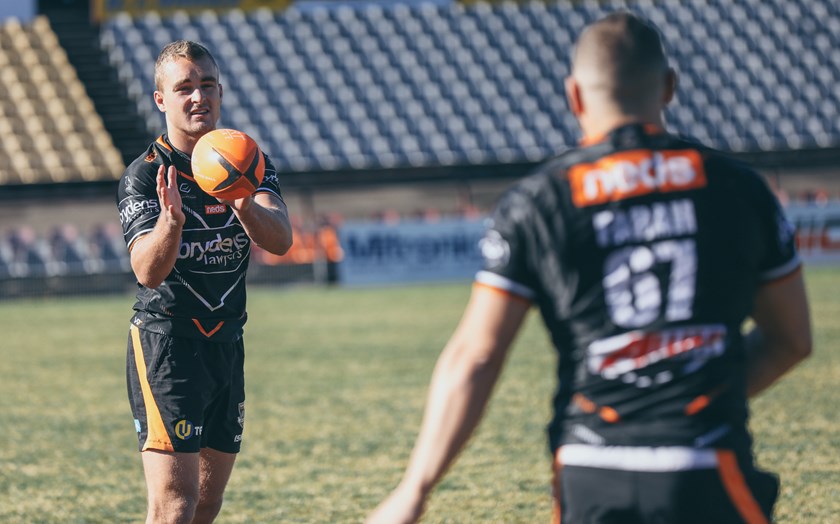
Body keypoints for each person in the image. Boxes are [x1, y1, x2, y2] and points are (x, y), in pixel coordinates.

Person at [367, 12, 811, 524]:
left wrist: (415, 488)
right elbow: (793, 340)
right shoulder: (740, 189)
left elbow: (476, 356)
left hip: (591, 463)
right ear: (670, 86)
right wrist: (695, 390)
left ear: (574, 96)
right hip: (706, 459)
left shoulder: (539, 200)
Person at [116, 40, 292, 523]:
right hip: (167, 345)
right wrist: (170, 224)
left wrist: (245, 204)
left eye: (207, 85)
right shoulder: (145, 175)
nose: (198, 97)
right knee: (174, 504)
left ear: (221, 92)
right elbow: (147, 272)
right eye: (184, 87)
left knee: (207, 504)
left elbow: (280, 240)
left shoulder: (248, 160)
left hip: (226, 343)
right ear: (161, 100)